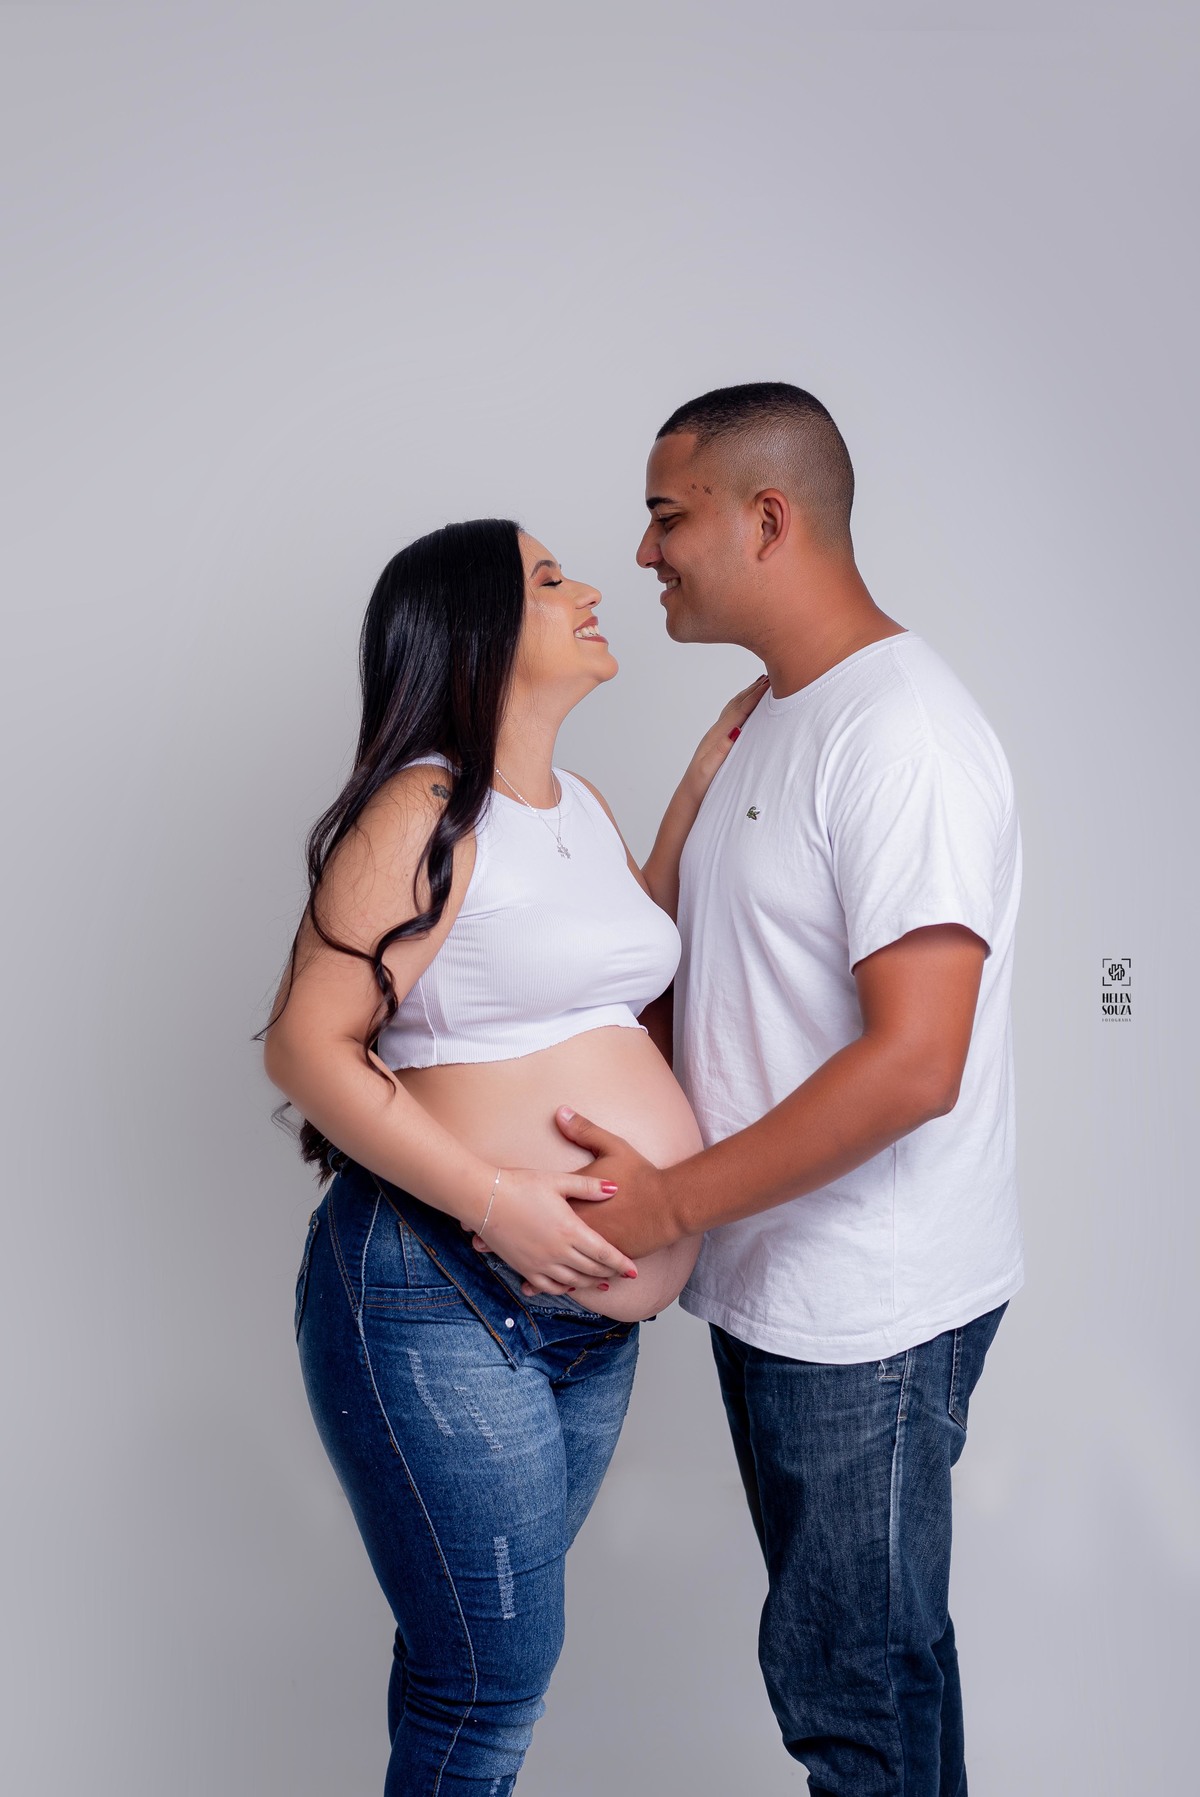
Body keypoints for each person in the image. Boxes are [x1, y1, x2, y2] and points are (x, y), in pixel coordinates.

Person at [551, 384, 1024, 1797]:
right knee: (880, 1672)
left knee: (853, 1700)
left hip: (867, 1307)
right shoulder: (771, 719)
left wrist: (669, 1203)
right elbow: (694, 981)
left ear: (768, 519)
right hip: (781, 1283)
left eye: (667, 516)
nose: (644, 553)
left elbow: (916, 1062)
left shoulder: (903, 737)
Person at [262, 516, 765, 1795]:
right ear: (476, 628)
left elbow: (612, 970)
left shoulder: (579, 807)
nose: (591, 585)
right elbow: (308, 1046)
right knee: (488, 1683)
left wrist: (695, 793)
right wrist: (498, 1202)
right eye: (548, 578)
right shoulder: (425, 807)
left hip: (583, 1328)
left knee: (470, 1665)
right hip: (440, 1289)